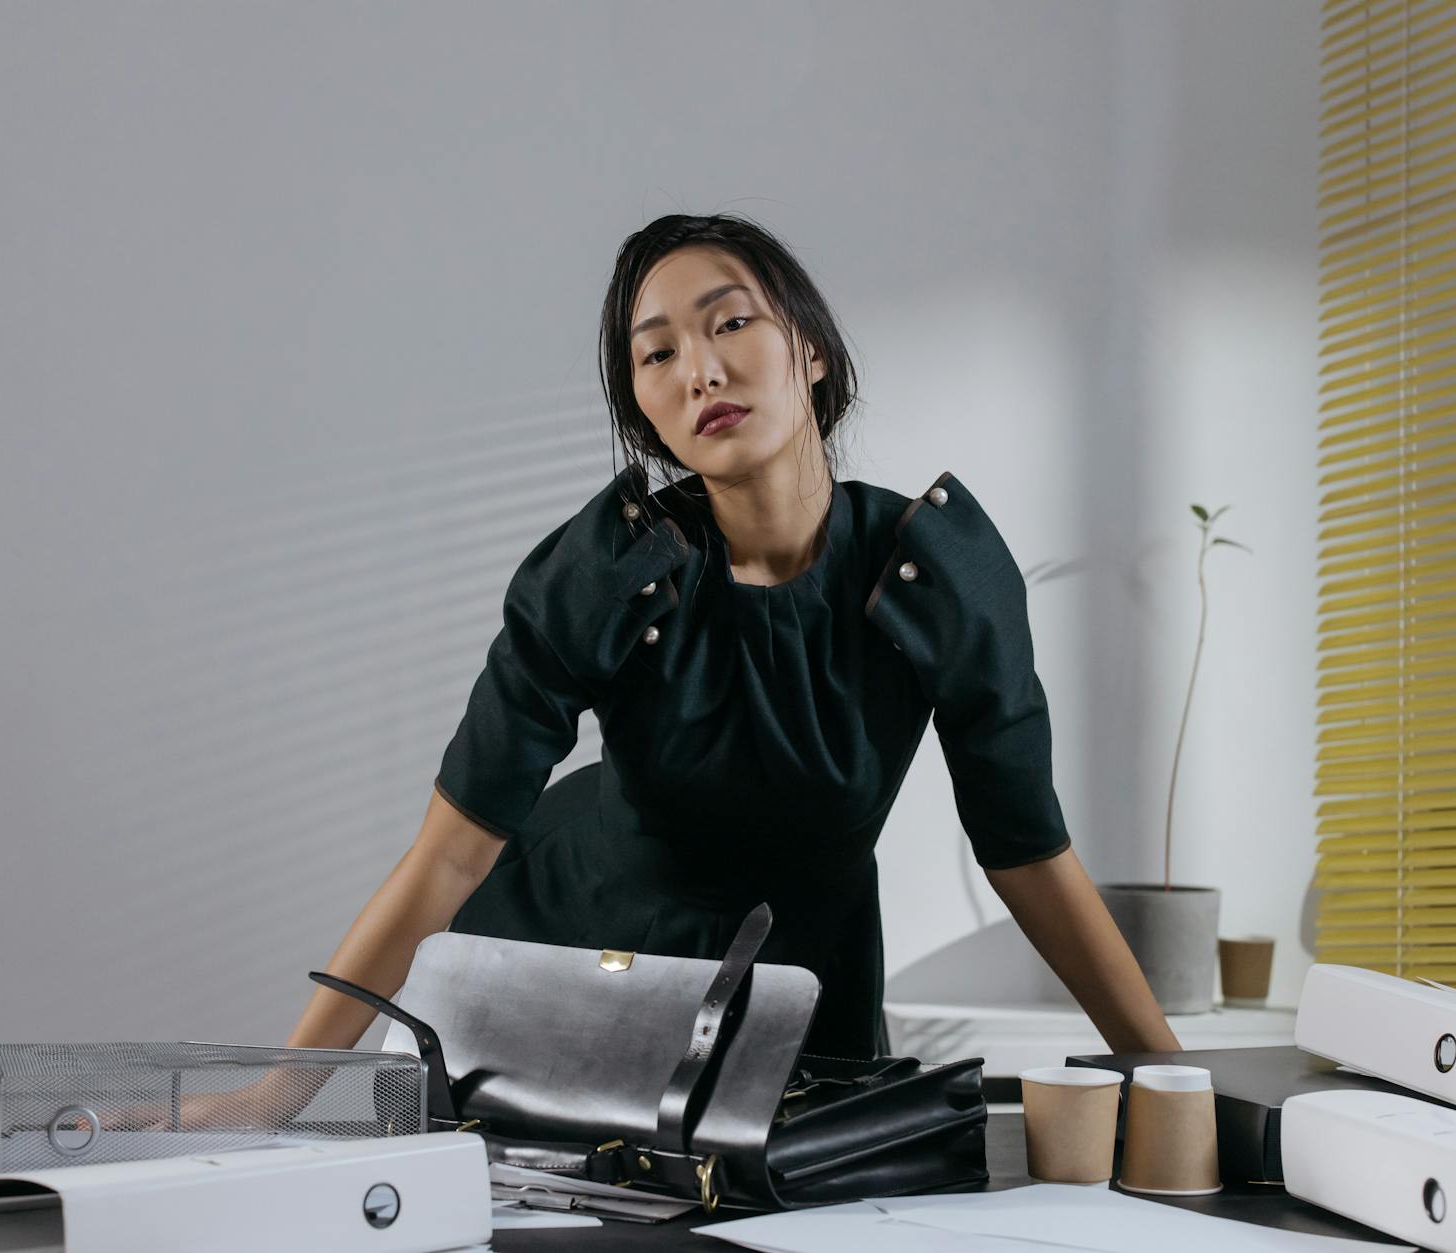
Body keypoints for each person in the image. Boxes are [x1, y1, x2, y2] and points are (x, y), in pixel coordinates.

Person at [272, 212, 1183, 1071]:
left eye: (731, 323)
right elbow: (449, 855)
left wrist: (1172, 1078)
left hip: (800, 1012)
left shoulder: (935, 574)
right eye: (657, 353)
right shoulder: (606, 573)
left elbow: (1027, 852)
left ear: (813, 349)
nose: (699, 371)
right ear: (646, 413)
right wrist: (279, 1089)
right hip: (553, 979)